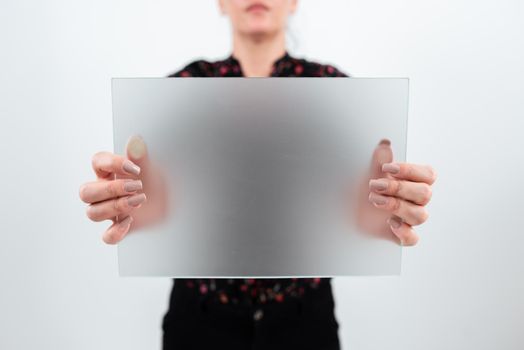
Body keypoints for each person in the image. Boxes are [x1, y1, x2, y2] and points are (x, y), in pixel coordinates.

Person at [78, 1, 437, 349]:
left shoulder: (332, 91)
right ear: (220, 3)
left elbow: (359, 209)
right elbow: (156, 206)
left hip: (306, 323)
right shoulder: (183, 90)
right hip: (198, 323)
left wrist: (393, 208)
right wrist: (122, 202)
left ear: (295, 2)